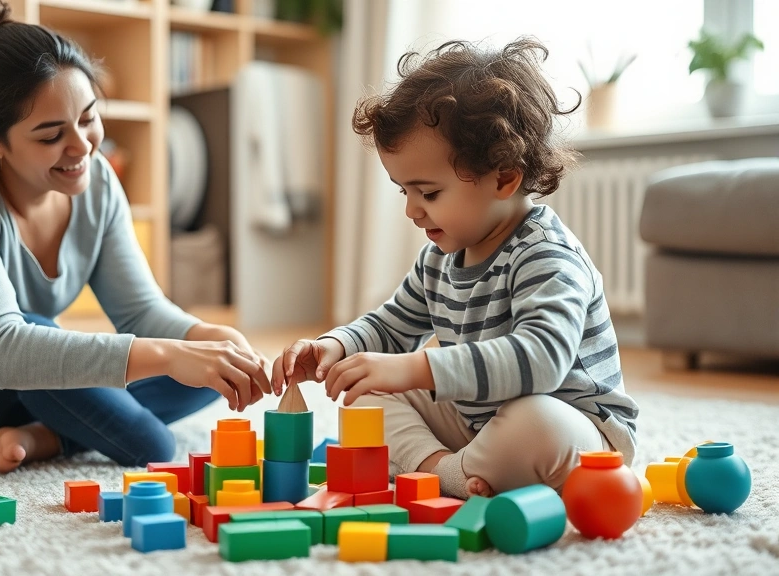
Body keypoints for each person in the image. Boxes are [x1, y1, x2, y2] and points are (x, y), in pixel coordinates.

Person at [0, 0, 271, 474]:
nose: (82, 147)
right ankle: (63, 432)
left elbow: (139, 312)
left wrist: (210, 338)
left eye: (88, 118)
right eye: (51, 136)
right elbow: (3, 350)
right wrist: (170, 355)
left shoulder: (97, 181)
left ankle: (42, 436)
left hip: (21, 381)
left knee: (209, 369)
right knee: (147, 437)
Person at [272, 38, 639, 498]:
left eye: (428, 193)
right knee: (363, 393)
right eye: (403, 191)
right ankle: (446, 471)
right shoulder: (439, 258)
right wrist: (336, 346)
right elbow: (391, 326)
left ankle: (458, 471)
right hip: (477, 422)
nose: (412, 210)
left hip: (577, 431)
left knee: (534, 423)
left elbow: (542, 360)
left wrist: (416, 368)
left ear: (504, 177)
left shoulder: (547, 255)